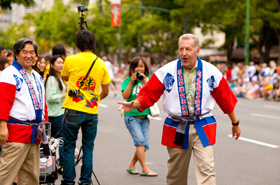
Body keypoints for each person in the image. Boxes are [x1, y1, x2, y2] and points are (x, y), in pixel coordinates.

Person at [118, 33, 241, 185]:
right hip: (177, 126)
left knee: (207, 170)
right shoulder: (166, 71)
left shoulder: (212, 71)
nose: (184, 53)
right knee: (176, 175)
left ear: (197, 51)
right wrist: (133, 104)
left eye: (188, 49)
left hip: (203, 125)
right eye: (181, 49)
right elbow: (149, 94)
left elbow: (225, 99)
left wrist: (235, 123)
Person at [60, 29, 110, 185]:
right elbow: (106, 91)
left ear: (78, 44)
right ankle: (85, 181)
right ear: (93, 44)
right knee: (88, 148)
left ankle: (68, 181)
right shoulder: (101, 63)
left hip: (73, 110)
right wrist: (95, 99)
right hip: (91, 111)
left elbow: (64, 77)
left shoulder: (70, 60)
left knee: (69, 147)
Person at [0, 38, 48, 185]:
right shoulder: (9, 73)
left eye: (32, 52)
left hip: (34, 133)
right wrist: (2, 126)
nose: (29, 56)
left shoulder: (37, 75)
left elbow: (42, 101)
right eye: (24, 52)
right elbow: (3, 102)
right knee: (4, 175)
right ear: (16, 55)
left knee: (31, 177)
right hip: (16, 132)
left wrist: (44, 122)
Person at [121, 57, 157, 177]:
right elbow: (125, 96)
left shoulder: (149, 80)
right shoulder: (127, 80)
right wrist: (131, 82)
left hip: (144, 117)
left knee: (144, 145)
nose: (139, 69)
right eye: (136, 66)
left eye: (141, 66)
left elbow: (154, 92)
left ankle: (132, 165)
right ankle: (145, 168)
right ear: (132, 68)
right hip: (131, 117)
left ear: (145, 68)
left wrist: (145, 81)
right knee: (140, 143)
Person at [45, 55, 66, 174]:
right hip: (55, 114)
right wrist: (66, 95)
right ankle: (61, 165)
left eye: (62, 63)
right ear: (52, 65)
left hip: (57, 113)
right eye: (58, 63)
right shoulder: (52, 79)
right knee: (60, 140)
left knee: (53, 141)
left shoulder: (57, 77)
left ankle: (52, 166)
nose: (61, 65)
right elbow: (51, 97)